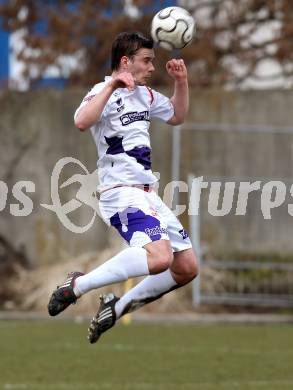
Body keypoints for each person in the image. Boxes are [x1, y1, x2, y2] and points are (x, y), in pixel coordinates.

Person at [48, 31, 198, 343]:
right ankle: (77, 286)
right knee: (159, 259)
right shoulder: (102, 90)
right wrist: (112, 85)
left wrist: (181, 82)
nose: (152, 67)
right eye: (147, 61)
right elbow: (81, 120)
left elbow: (177, 115)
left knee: (186, 267)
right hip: (120, 192)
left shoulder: (145, 95)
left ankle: (115, 310)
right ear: (125, 62)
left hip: (148, 193)